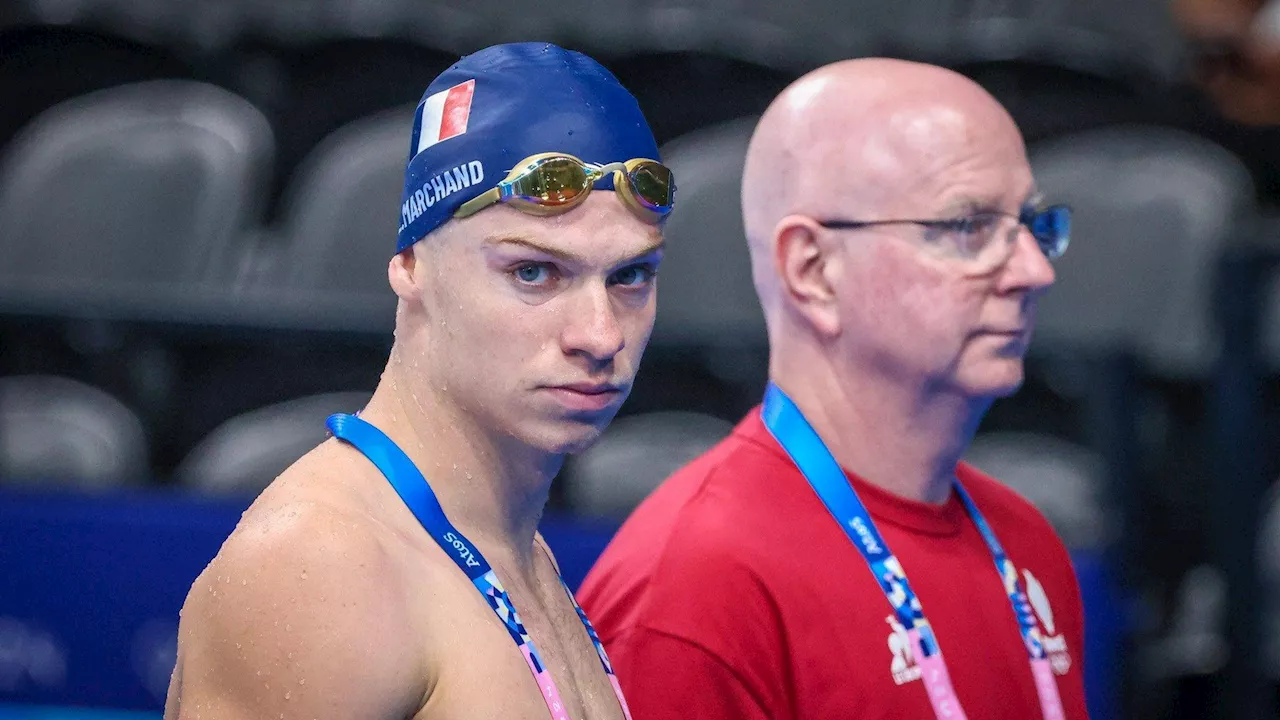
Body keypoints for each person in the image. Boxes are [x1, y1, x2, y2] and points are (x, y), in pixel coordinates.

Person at [163, 42, 674, 720]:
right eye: (533, 273)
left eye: (629, 277)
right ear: (411, 265)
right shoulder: (321, 566)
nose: (601, 335)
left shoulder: (519, 551)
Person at [578, 57, 1090, 719]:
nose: (1031, 271)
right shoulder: (693, 588)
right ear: (814, 271)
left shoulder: (1028, 544)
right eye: (969, 227)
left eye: (1032, 226)